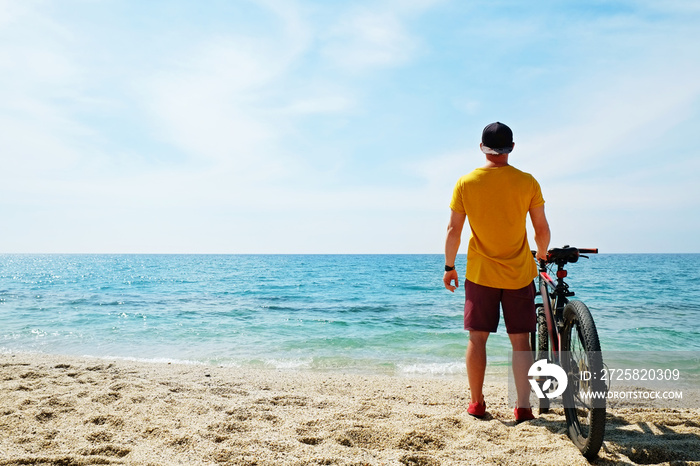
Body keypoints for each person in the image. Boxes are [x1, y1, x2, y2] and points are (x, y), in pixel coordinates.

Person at [443, 122, 550, 423]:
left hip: (480, 274)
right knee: (520, 342)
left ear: (482, 148)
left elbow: (454, 230)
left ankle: (477, 404)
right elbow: (541, 229)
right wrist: (541, 254)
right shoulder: (527, 182)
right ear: (512, 148)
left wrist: (450, 266)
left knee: (477, 339)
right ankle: (524, 408)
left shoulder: (466, 182)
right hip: (518, 273)